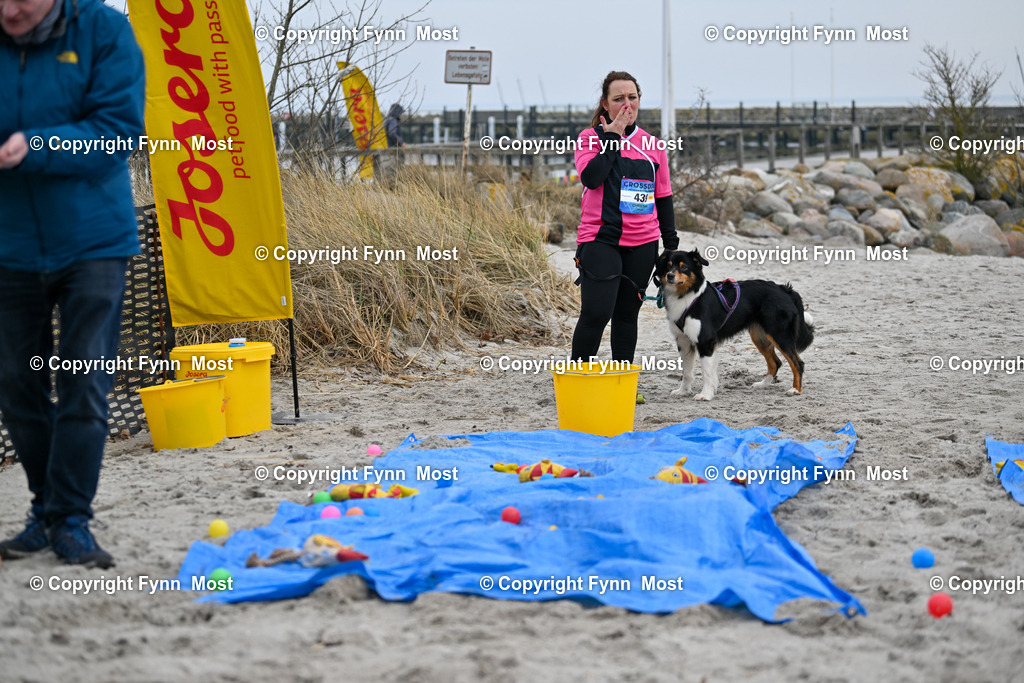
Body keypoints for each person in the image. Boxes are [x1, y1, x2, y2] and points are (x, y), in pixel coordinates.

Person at [0, 0, 146, 568]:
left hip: (93, 243)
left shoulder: (105, 30)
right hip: (9, 246)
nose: (11, 9)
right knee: (16, 384)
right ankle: (45, 509)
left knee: (84, 377)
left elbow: (116, 132)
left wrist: (34, 146)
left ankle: (72, 520)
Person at [571, 71, 679, 363]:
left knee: (626, 315)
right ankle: (579, 379)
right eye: (619, 99)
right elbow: (592, 178)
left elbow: (663, 196)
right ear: (605, 104)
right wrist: (612, 138)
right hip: (600, 240)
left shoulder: (653, 146)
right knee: (596, 312)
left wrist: (670, 243)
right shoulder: (589, 139)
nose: (627, 105)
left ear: (640, 100)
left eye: (632, 97)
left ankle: (622, 381)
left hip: (643, 243)